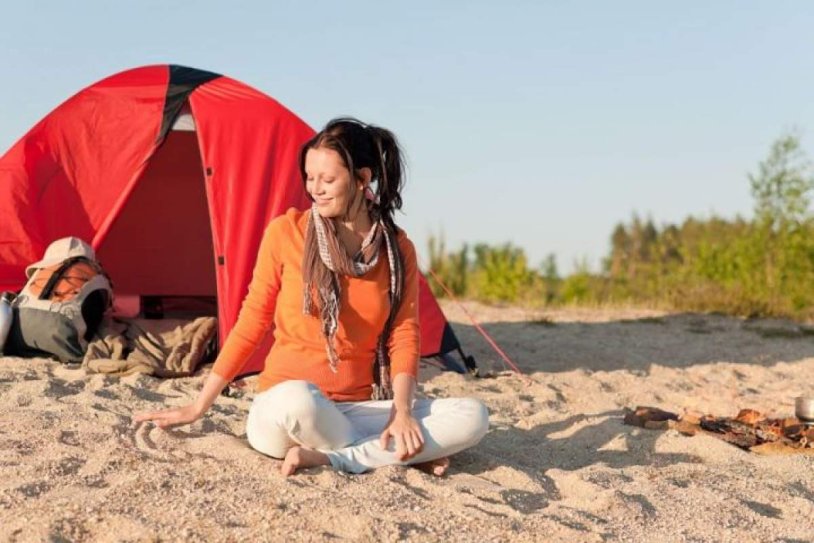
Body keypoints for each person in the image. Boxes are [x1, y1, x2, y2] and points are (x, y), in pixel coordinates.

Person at [134, 117, 489, 476]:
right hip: (283, 410)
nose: (314, 189)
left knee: (473, 416)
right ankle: (398, 453)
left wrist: (401, 411)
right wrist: (199, 405)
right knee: (301, 399)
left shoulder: (397, 250)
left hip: (355, 407)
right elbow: (252, 319)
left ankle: (343, 456)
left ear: (362, 178)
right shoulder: (286, 233)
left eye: (328, 179)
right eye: (309, 177)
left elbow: (404, 334)